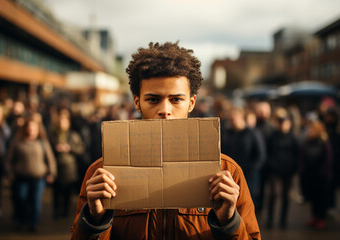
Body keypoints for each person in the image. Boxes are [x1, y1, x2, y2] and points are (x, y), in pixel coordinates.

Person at [71, 42, 260, 239]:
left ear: (191, 103)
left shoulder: (227, 172)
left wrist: (229, 222)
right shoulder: (102, 173)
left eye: (176, 99)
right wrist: (95, 220)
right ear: (137, 102)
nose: (165, 110)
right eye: (153, 99)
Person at [5, 113, 57, 232]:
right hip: (21, 177)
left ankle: (34, 223)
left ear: (38, 130)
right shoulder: (17, 141)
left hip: (38, 177)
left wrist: (51, 173)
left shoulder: (43, 143)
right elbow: (9, 160)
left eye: (34, 128)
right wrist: (9, 172)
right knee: (21, 199)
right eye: (29, 128)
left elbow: (50, 160)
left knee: (35, 201)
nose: (31, 131)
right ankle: (22, 221)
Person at [265, 108, 298, 229]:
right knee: (273, 195)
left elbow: (296, 154)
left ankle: (283, 220)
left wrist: (293, 168)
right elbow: (267, 152)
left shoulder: (293, 138)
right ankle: (270, 219)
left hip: (288, 172)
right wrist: (271, 165)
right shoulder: (273, 136)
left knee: (285, 197)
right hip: (275, 171)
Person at [49, 111, 85, 218]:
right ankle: (56, 211)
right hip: (56, 167)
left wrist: (70, 148)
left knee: (67, 193)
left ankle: (65, 211)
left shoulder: (73, 135)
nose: (61, 124)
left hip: (70, 168)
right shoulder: (53, 135)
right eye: (60, 122)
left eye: (64, 122)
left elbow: (81, 149)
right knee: (56, 192)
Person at [299, 120, 333, 230]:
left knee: (321, 198)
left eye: (312, 129)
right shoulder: (306, 142)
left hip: (321, 176)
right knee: (312, 198)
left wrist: (322, 173)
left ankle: (321, 218)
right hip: (309, 175)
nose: (310, 131)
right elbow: (302, 157)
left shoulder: (324, 143)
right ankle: (314, 216)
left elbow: (328, 160)